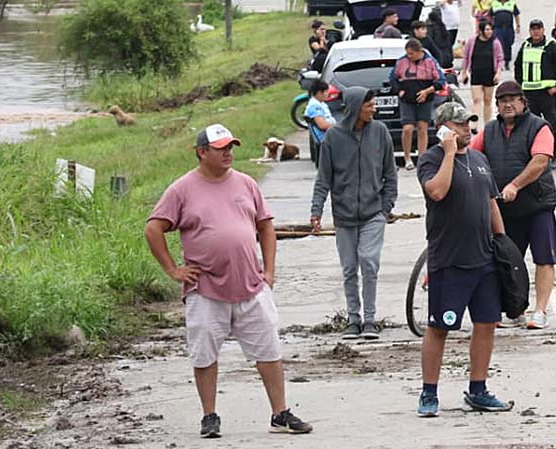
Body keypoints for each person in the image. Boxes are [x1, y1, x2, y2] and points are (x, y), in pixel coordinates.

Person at [145, 124, 313, 439]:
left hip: (250, 285)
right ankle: (209, 416)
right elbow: (153, 229)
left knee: (269, 349)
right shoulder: (182, 189)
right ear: (202, 152)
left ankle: (280, 412)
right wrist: (173, 270)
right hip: (205, 289)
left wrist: (270, 271)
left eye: (230, 147)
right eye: (221, 148)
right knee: (204, 352)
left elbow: (265, 226)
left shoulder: (246, 184)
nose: (228, 153)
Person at [415, 102, 513, 417]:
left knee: (486, 324)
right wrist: (446, 152)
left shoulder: (480, 160)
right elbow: (437, 192)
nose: (467, 129)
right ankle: (429, 393)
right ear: (443, 128)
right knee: (440, 328)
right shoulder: (431, 160)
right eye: (459, 125)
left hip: (484, 259)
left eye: (468, 123)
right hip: (449, 260)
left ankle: (478, 389)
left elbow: (491, 204)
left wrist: (504, 246)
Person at [310, 87, 399, 340]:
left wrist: (385, 208)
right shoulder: (333, 138)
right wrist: (316, 211)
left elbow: (390, 174)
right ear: (355, 106)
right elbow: (323, 179)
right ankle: (353, 319)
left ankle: (370, 320)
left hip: (373, 213)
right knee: (349, 268)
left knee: (368, 262)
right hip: (344, 216)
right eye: (369, 105)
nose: (374, 109)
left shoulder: (380, 133)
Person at [472, 81, 556, 330]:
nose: (508, 104)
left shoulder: (539, 127)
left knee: (544, 258)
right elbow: (471, 154)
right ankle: (515, 309)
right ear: (497, 106)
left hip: (536, 205)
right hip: (504, 208)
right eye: (502, 101)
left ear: (523, 102)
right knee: (508, 260)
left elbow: (539, 162)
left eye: (513, 99)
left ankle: (541, 311)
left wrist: (515, 185)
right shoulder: (489, 131)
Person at [514, 19, 556, 170]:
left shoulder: (551, 46)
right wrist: (520, 86)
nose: (536, 32)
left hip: (546, 95)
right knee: (529, 126)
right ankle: (533, 155)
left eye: (538, 28)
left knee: (552, 124)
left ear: (543, 30)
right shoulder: (525, 46)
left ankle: (554, 156)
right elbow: (518, 67)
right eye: (533, 29)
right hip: (529, 94)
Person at [392, 38, 445, 169]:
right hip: (407, 100)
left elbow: (440, 81)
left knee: (422, 128)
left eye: (411, 54)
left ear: (419, 51)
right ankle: (407, 157)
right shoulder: (401, 62)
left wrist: (427, 91)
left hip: (425, 99)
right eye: (407, 53)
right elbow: (393, 78)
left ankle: (422, 157)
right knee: (407, 128)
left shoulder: (430, 62)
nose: (409, 56)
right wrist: (399, 91)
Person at [461, 21, 504, 124]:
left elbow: (500, 59)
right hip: (476, 73)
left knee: (487, 100)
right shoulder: (472, 41)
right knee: (476, 99)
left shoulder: (495, 42)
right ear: (481, 31)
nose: (489, 32)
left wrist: (498, 73)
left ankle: (487, 124)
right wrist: (464, 71)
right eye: (487, 29)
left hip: (489, 74)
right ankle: (474, 123)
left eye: (490, 29)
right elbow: (466, 56)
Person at [304, 79, 335, 163]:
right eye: (325, 92)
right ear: (319, 93)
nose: (327, 94)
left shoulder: (321, 104)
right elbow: (322, 125)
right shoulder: (314, 106)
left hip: (331, 136)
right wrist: (340, 127)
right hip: (326, 139)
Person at [490, 0, 521, 69]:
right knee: (499, 45)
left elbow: (516, 15)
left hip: (509, 28)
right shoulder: (494, 3)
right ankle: (499, 63)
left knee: (508, 44)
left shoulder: (512, 3)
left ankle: (507, 62)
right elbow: (490, 16)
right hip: (497, 28)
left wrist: (518, 26)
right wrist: (490, 27)